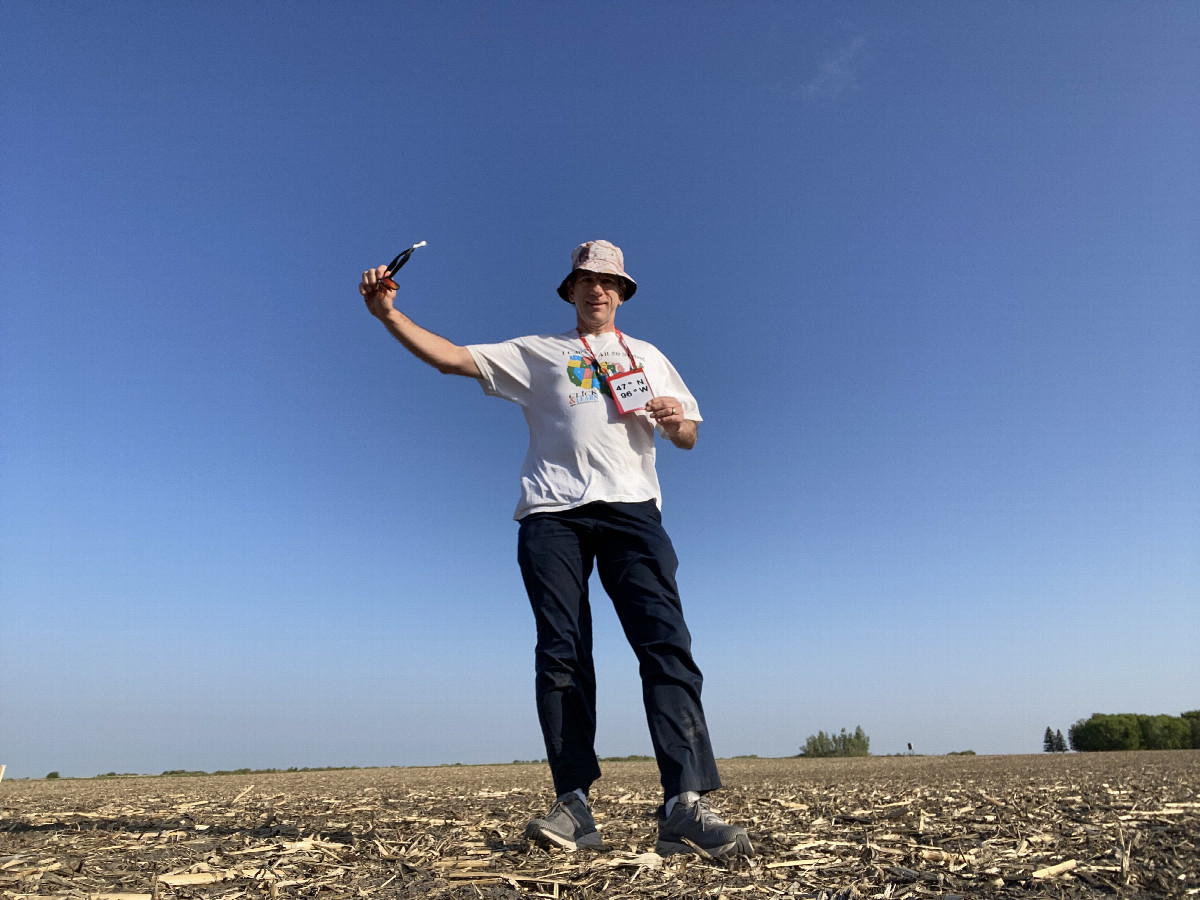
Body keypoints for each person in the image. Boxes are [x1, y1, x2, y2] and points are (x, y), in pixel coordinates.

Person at [359, 240, 753, 858]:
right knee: (562, 651)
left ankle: (685, 804)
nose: (598, 290)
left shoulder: (648, 356)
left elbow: (687, 438)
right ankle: (574, 805)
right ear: (569, 290)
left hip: (632, 510)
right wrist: (388, 315)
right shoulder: (538, 353)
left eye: (610, 282)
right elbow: (451, 359)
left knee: (666, 646)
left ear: (622, 294)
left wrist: (675, 419)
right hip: (552, 514)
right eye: (586, 280)